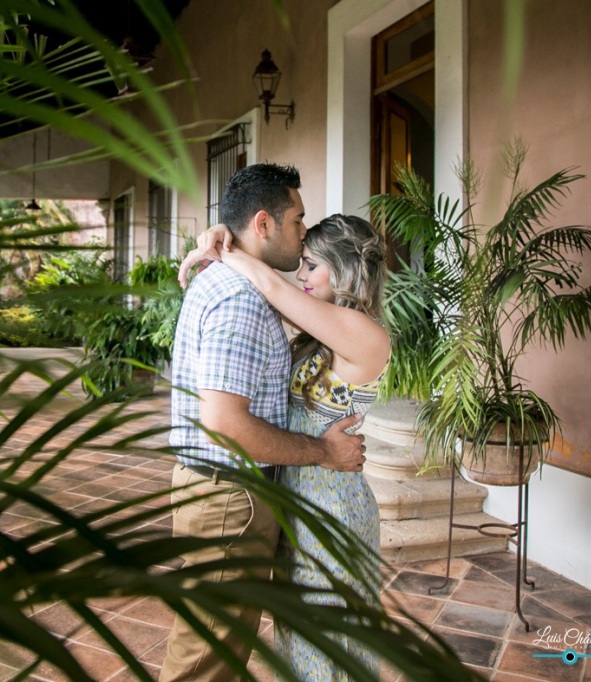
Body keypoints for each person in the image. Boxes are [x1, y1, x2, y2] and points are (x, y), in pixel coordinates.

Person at [160, 164, 367, 682]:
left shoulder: (242, 286)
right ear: (264, 223)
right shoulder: (241, 299)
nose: (302, 233)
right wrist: (324, 451)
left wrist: (222, 242)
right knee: (204, 659)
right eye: (298, 220)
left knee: (217, 650)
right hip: (230, 497)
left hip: (239, 495)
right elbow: (226, 424)